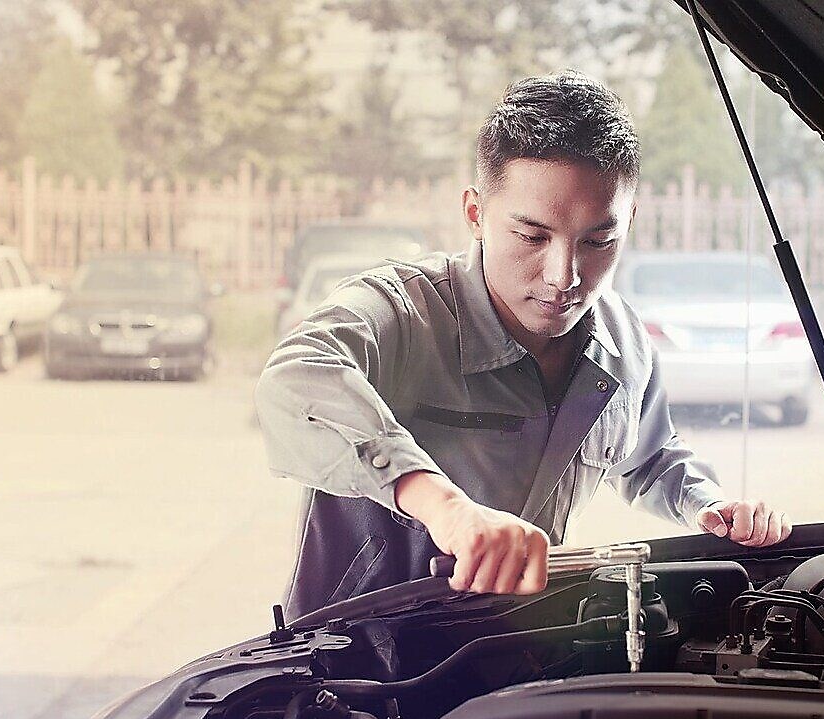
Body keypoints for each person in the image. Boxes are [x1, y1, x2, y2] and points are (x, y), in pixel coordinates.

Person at [256, 70, 792, 619]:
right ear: (475, 213)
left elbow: (650, 458)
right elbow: (296, 380)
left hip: (512, 654)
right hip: (352, 670)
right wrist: (446, 509)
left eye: (598, 241)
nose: (565, 276)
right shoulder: (401, 312)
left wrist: (711, 507)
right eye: (533, 236)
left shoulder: (624, 343)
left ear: (629, 219)